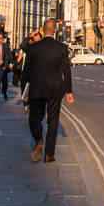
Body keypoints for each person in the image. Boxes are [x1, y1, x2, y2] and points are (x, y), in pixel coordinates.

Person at [21, 19, 73, 163]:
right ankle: (49, 154)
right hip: (55, 89)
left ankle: (38, 140)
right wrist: (69, 91)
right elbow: (66, 70)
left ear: (43, 30)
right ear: (55, 30)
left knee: (34, 117)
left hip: (37, 88)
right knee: (53, 120)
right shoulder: (62, 48)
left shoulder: (34, 48)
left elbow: (26, 71)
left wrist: (24, 92)